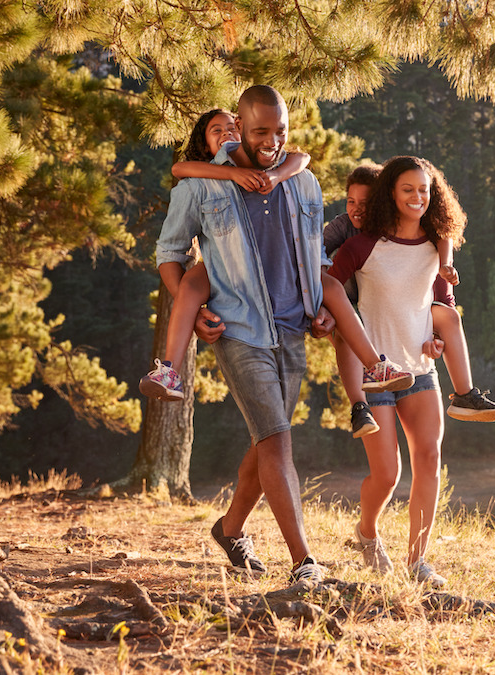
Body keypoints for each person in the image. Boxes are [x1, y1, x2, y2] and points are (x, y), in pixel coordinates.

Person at [155, 86, 394, 583]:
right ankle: (304, 562)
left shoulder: (302, 182)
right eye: (261, 131)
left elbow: (314, 255)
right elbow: (169, 252)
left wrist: (319, 309)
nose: (272, 140)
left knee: (266, 443)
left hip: (292, 329)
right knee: (278, 441)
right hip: (240, 329)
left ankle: (231, 528)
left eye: (280, 130)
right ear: (241, 128)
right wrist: (193, 307)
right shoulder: (201, 187)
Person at [141, 110, 414, 411]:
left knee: (333, 288)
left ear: (243, 132)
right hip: (226, 269)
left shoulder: (274, 168)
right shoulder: (201, 178)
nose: (226, 135)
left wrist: (274, 175)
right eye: (216, 130)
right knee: (191, 284)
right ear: (205, 144)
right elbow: (180, 168)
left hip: (286, 282)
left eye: (232, 128)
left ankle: (375, 365)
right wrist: (233, 173)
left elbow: (302, 158)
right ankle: (169, 370)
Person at [327, 156, 469, 588]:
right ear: (391, 192)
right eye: (408, 189)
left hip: (421, 371)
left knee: (429, 459)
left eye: (424, 190)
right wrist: (325, 322)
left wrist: (438, 340)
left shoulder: (434, 247)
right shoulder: (362, 246)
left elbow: (440, 304)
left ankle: (417, 561)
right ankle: (366, 532)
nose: (417, 197)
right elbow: (329, 290)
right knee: (387, 473)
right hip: (377, 375)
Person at [324, 165, 495, 429]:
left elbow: (443, 285)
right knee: (346, 329)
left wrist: (436, 335)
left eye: (366, 202)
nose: (358, 209)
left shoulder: (430, 239)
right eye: (352, 202)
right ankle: (358, 406)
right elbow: (317, 257)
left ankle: (465, 394)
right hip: (355, 311)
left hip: (413, 358)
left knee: (448, 315)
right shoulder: (348, 232)